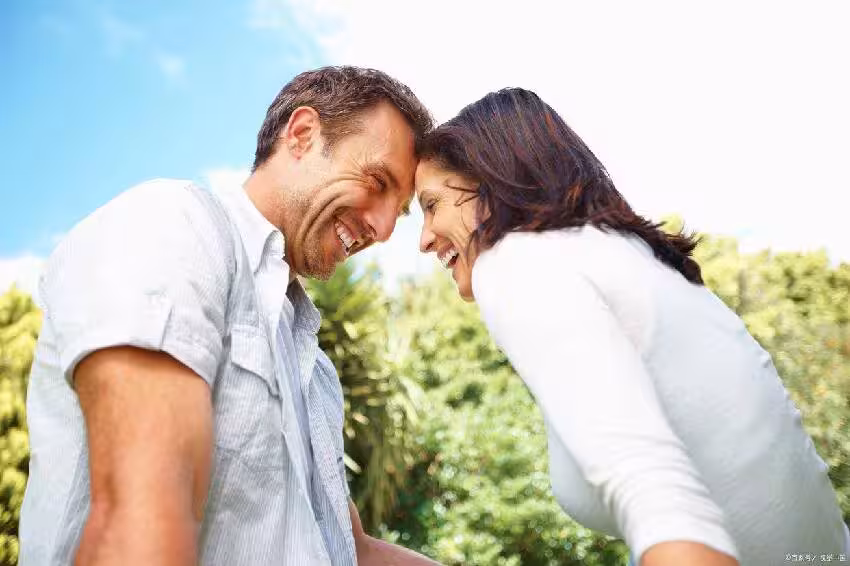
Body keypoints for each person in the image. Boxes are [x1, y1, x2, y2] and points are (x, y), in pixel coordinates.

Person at [20, 66, 442, 566]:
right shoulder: (176, 226)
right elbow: (141, 516)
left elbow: (351, 551)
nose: (384, 228)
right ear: (302, 134)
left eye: (400, 210)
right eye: (377, 181)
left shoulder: (316, 372)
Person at [414, 87, 850, 566]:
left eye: (432, 205)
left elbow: (660, 501)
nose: (424, 239)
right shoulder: (636, 259)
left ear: (492, 185)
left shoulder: (514, 262)